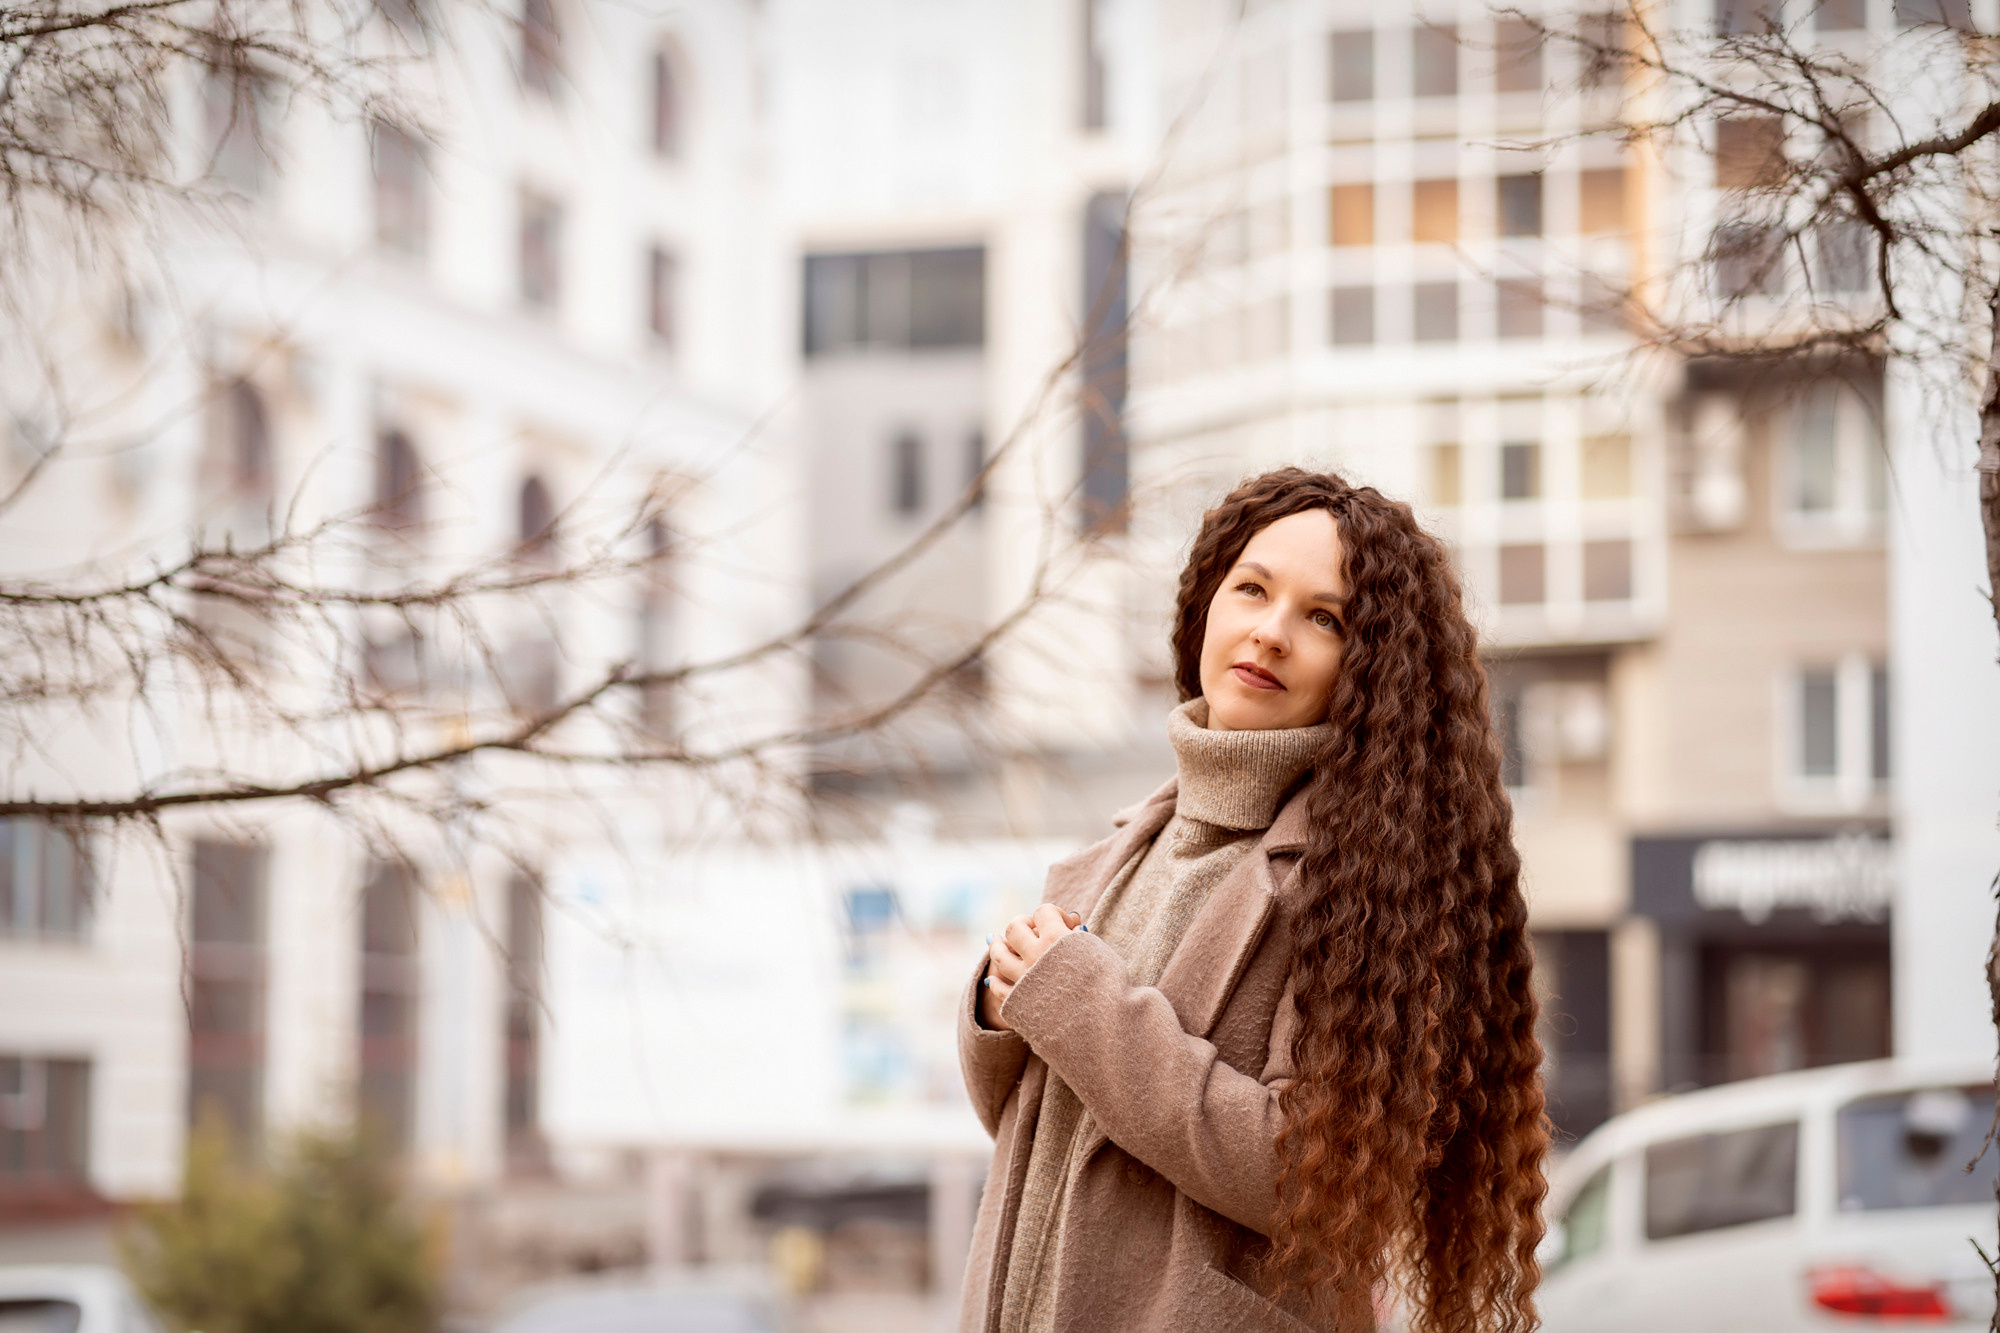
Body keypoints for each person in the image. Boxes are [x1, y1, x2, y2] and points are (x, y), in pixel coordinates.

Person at [957, 468, 1547, 1332]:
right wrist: (999, 1006)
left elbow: (1314, 1179)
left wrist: (1078, 1003)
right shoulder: (1122, 850)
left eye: (1323, 617)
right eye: (1253, 590)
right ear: (1207, 606)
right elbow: (1049, 1127)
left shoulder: (1366, 887)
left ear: (1369, 668)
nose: (1270, 632)